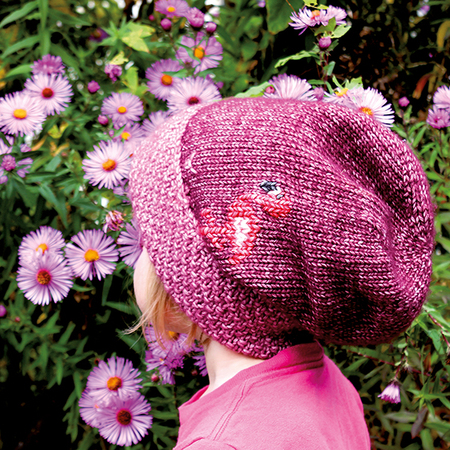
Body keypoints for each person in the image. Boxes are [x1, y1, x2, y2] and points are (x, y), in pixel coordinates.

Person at [129, 97, 435, 449]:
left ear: (192, 282)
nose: (139, 252)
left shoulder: (221, 442)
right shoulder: (331, 388)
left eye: (149, 239)